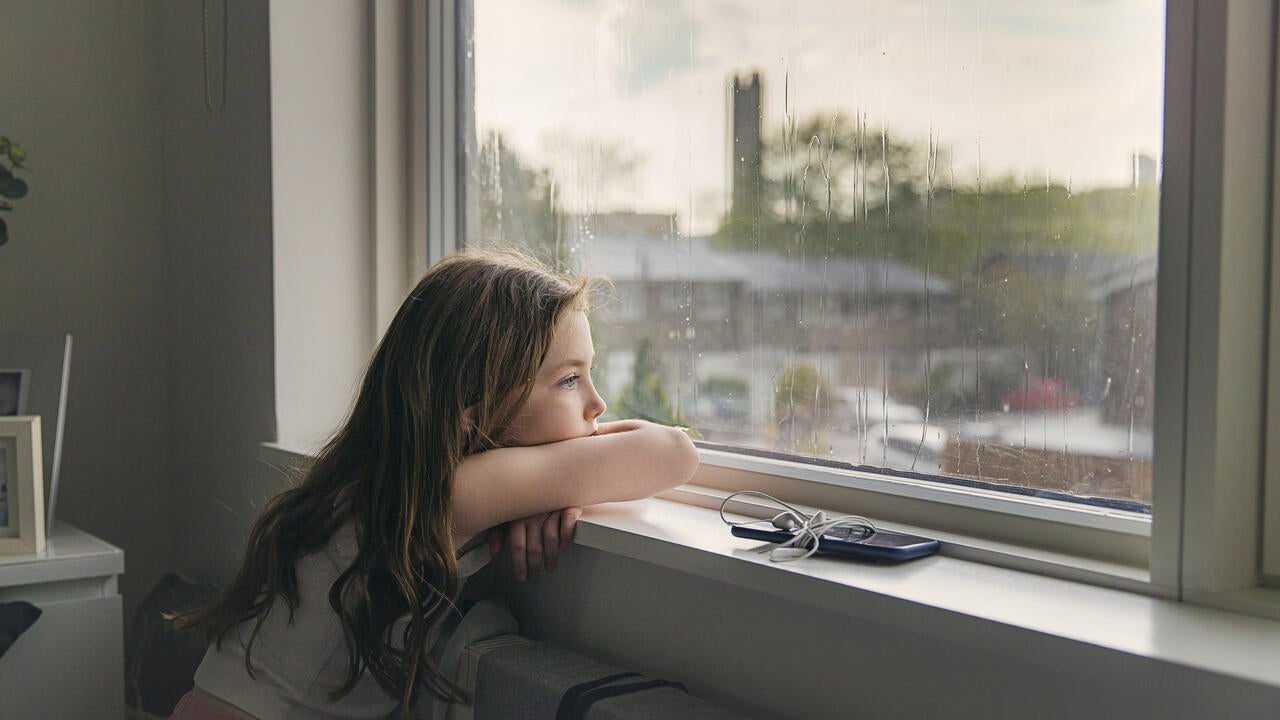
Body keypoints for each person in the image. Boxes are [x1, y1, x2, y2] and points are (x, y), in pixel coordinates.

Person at [170, 249, 699, 720]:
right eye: (569, 379)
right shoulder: (445, 496)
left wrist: (558, 483)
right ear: (474, 414)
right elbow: (674, 454)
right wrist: (563, 478)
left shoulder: (375, 484)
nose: (598, 405)